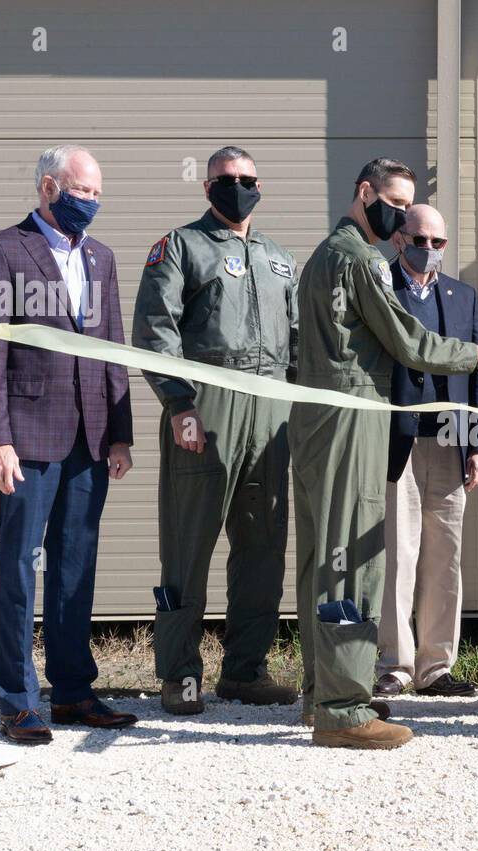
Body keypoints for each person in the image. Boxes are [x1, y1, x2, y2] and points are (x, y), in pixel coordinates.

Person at [292, 157, 478, 749]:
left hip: (325, 417)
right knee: (355, 556)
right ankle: (344, 710)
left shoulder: (323, 255)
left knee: (326, 553)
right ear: (365, 192)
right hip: (354, 418)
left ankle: (322, 689)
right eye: (396, 205)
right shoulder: (360, 259)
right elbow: (409, 342)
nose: (402, 223)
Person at [0, 144, 137, 743]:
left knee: (75, 566)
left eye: (96, 193)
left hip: (90, 438)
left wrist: (121, 434)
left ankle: (72, 692)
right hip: (27, 434)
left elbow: (113, 347)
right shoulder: (1, 249)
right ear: (49, 187)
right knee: (19, 564)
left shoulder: (101, 258)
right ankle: (17, 699)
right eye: (82, 191)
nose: (91, 201)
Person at [132, 146, 299, 715]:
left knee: (263, 547)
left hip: (271, 407)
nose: (237, 187)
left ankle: (246, 671)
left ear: (261, 186)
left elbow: (299, 342)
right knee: (189, 544)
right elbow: (156, 330)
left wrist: (299, 410)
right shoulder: (180, 247)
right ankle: (178, 674)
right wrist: (179, 405)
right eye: (225, 179)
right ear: (207, 188)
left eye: (247, 179)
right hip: (206, 405)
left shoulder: (279, 259)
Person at [375, 205, 478, 698]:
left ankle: (436, 667)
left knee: (445, 556)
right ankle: (395, 666)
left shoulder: (463, 297)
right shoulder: (379, 288)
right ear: (399, 239)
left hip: (450, 439)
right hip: (395, 440)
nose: (429, 249)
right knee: (398, 554)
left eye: (438, 242)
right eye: (420, 238)